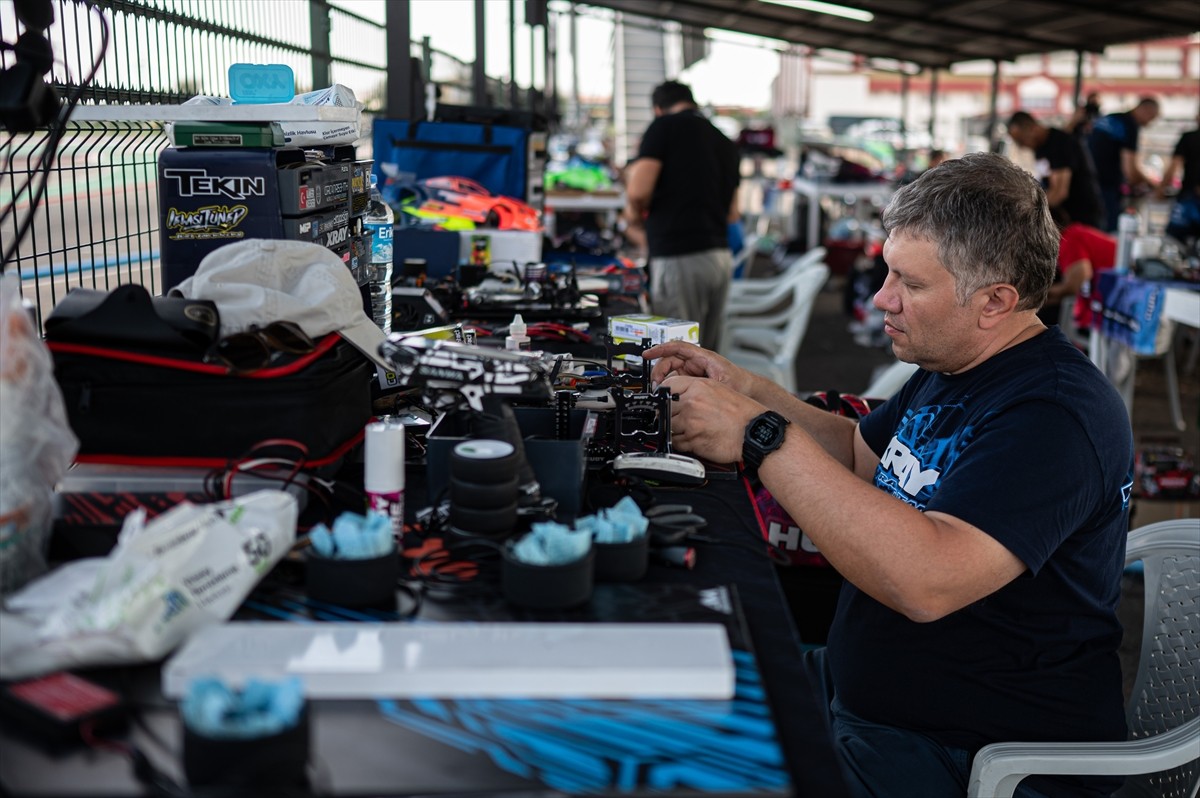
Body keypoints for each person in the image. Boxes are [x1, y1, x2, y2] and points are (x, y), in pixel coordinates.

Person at [645, 152, 1133, 798]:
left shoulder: (1053, 415)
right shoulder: (957, 363)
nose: (882, 298)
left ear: (995, 302)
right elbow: (856, 451)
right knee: (659, 698)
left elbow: (926, 580)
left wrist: (758, 435)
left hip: (966, 753)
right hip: (870, 699)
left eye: (910, 283)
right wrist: (746, 389)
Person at [624, 80, 740, 351]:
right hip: (719, 259)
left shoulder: (663, 127)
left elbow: (638, 191)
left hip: (679, 258)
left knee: (676, 356)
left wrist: (634, 221)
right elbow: (733, 214)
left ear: (658, 109)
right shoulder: (723, 141)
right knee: (708, 359)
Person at [1007, 110, 1104, 229]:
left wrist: (1029, 213)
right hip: (1065, 219)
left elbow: (1059, 192)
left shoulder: (1061, 144)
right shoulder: (1040, 147)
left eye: (1021, 140)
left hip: (1083, 217)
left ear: (1032, 128)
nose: (1022, 146)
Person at [1088, 97, 1160, 231]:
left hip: (1087, 184)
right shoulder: (1130, 125)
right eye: (1152, 118)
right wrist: (1152, 183)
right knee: (1108, 235)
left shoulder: (1110, 118)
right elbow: (1131, 172)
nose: (1149, 123)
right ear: (1146, 110)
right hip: (1106, 189)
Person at [1045, 207, 1117, 335]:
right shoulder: (1074, 234)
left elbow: (1077, 284)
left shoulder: (1069, 239)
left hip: (1113, 301)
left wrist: (1040, 295)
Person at [1156, 113, 1200, 245]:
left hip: (1189, 200)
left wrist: (1160, 190)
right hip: (1190, 198)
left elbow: (1174, 166)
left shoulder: (1190, 137)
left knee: (1173, 243)